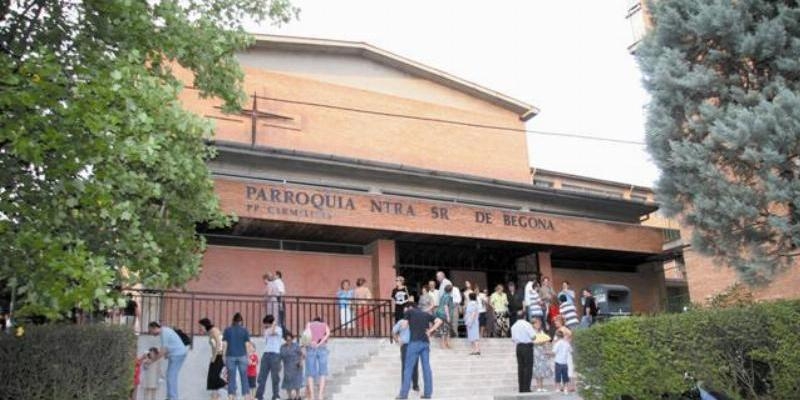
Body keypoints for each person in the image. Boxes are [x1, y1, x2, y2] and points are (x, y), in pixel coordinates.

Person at [396, 303, 443, 400]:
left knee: (408, 368)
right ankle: (427, 393)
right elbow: (439, 321)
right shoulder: (426, 314)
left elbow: (404, 325)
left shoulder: (409, 312)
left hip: (414, 343)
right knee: (426, 368)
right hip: (425, 343)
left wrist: (403, 326)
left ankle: (403, 395)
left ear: (410, 308)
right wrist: (430, 331)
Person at [148, 321, 188, 400]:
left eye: (150, 331)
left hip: (177, 355)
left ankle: (173, 397)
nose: (150, 333)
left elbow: (163, 350)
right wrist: (166, 354)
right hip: (177, 354)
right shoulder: (165, 330)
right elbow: (169, 346)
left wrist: (152, 360)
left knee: (171, 376)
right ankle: (171, 397)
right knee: (170, 376)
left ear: (154, 328)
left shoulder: (164, 333)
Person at [222, 312, 253, 400]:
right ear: (241, 321)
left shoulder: (227, 330)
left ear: (233, 321)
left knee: (231, 378)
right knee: (244, 378)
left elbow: (224, 344)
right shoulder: (245, 330)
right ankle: (246, 397)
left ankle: (231, 397)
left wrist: (223, 356)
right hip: (242, 356)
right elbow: (247, 345)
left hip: (230, 356)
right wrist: (249, 357)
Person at [392, 307, 420, 392]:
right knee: (404, 365)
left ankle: (415, 385)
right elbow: (393, 331)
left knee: (415, 366)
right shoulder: (401, 322)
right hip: (405, 346)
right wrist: (397, 340)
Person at [255, 314, 283, 400]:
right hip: (266, 354)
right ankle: (259, 396)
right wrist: (272, 325)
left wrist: (274, 324)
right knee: (262, 376)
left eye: (265, 323)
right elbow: (271, 332)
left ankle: (276, 396)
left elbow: (274, 332)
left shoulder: (279, 329)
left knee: (275, 377)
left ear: (269, 322)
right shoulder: (266, 330)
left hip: (275, 355)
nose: (264, 325)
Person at [199, 317, 226, 399]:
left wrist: (215, 356)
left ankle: (228, 386)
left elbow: (220, 343)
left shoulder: (214, 331)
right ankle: (215, 395)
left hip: (219, 356)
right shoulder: (210, 332)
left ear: (204, 325)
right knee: (212, 378)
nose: (200, 328)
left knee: (213, 377)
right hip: (216, 356)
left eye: (201, 326)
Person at [304, 316, 330, 400]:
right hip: (322, 347)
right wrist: (320, 343)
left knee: (310, 373)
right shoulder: (324, 324)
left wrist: (311, 342)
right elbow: (328, 334)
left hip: (311, 348)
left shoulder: (309, 324)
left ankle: (312, 396)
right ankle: (320, 395)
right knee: (323, 372)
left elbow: (306, 335)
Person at [510, 311, 535, 393]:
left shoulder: (514, 326)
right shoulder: (527, 324)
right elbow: (533, 336)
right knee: (528, 368)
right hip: (527, 347)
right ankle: (526, 388)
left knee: (520, 367)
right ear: (524, 316)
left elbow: (513, 339)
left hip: (519, 347)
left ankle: (521, 388)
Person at [280, 332, 304, 400]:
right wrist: (279, 365)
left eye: (290, 339)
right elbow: (280, 357)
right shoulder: (282, 347)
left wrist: (301, 362)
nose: (288, 341)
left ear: (292, 339)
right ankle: (289, 397)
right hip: (287, 367)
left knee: (297, 382)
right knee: (287, 382)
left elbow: (302, 354)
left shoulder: (296, 345)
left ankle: (297, 396)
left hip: (296, 366)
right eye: (287, 340)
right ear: (285, 339)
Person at [531, 318, 552, 392]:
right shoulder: (531, 332)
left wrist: (547, 350)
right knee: (537, 368)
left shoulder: (541, 331)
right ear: (533, 324)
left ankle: (542, 386)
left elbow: (546, 341)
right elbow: (531, 341)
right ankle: (538, 386)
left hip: (542, 351)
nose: (538, 325)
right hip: (535, 351)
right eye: (537, 323)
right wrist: (538, 342)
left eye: (539, 323)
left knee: (542, 368)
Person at [434, 284, 453, 349]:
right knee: (445, 329)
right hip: (444, 315)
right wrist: (448, 316)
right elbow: (446, 306)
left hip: (439, 313)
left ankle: (446, 343)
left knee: (444, 329)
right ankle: (444, 344)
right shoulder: (448, 296)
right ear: (451, 290)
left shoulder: (443, 296)